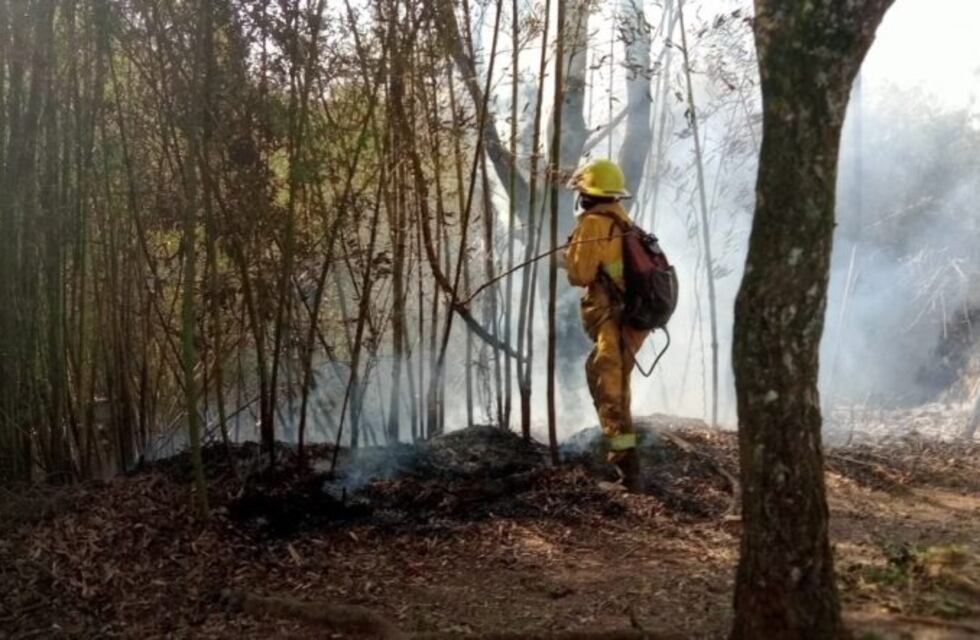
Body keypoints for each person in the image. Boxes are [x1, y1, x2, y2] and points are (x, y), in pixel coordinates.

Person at [561, 159, 647, 491]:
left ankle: (628, 473)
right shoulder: (622, 219)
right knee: (605, 378)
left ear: (588, 194)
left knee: (609, 387)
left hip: (614, 316)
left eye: (582, 192)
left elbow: (580, 274)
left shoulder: (593, 223)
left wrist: (568, 261)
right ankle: (626, 463)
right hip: (631, 318)